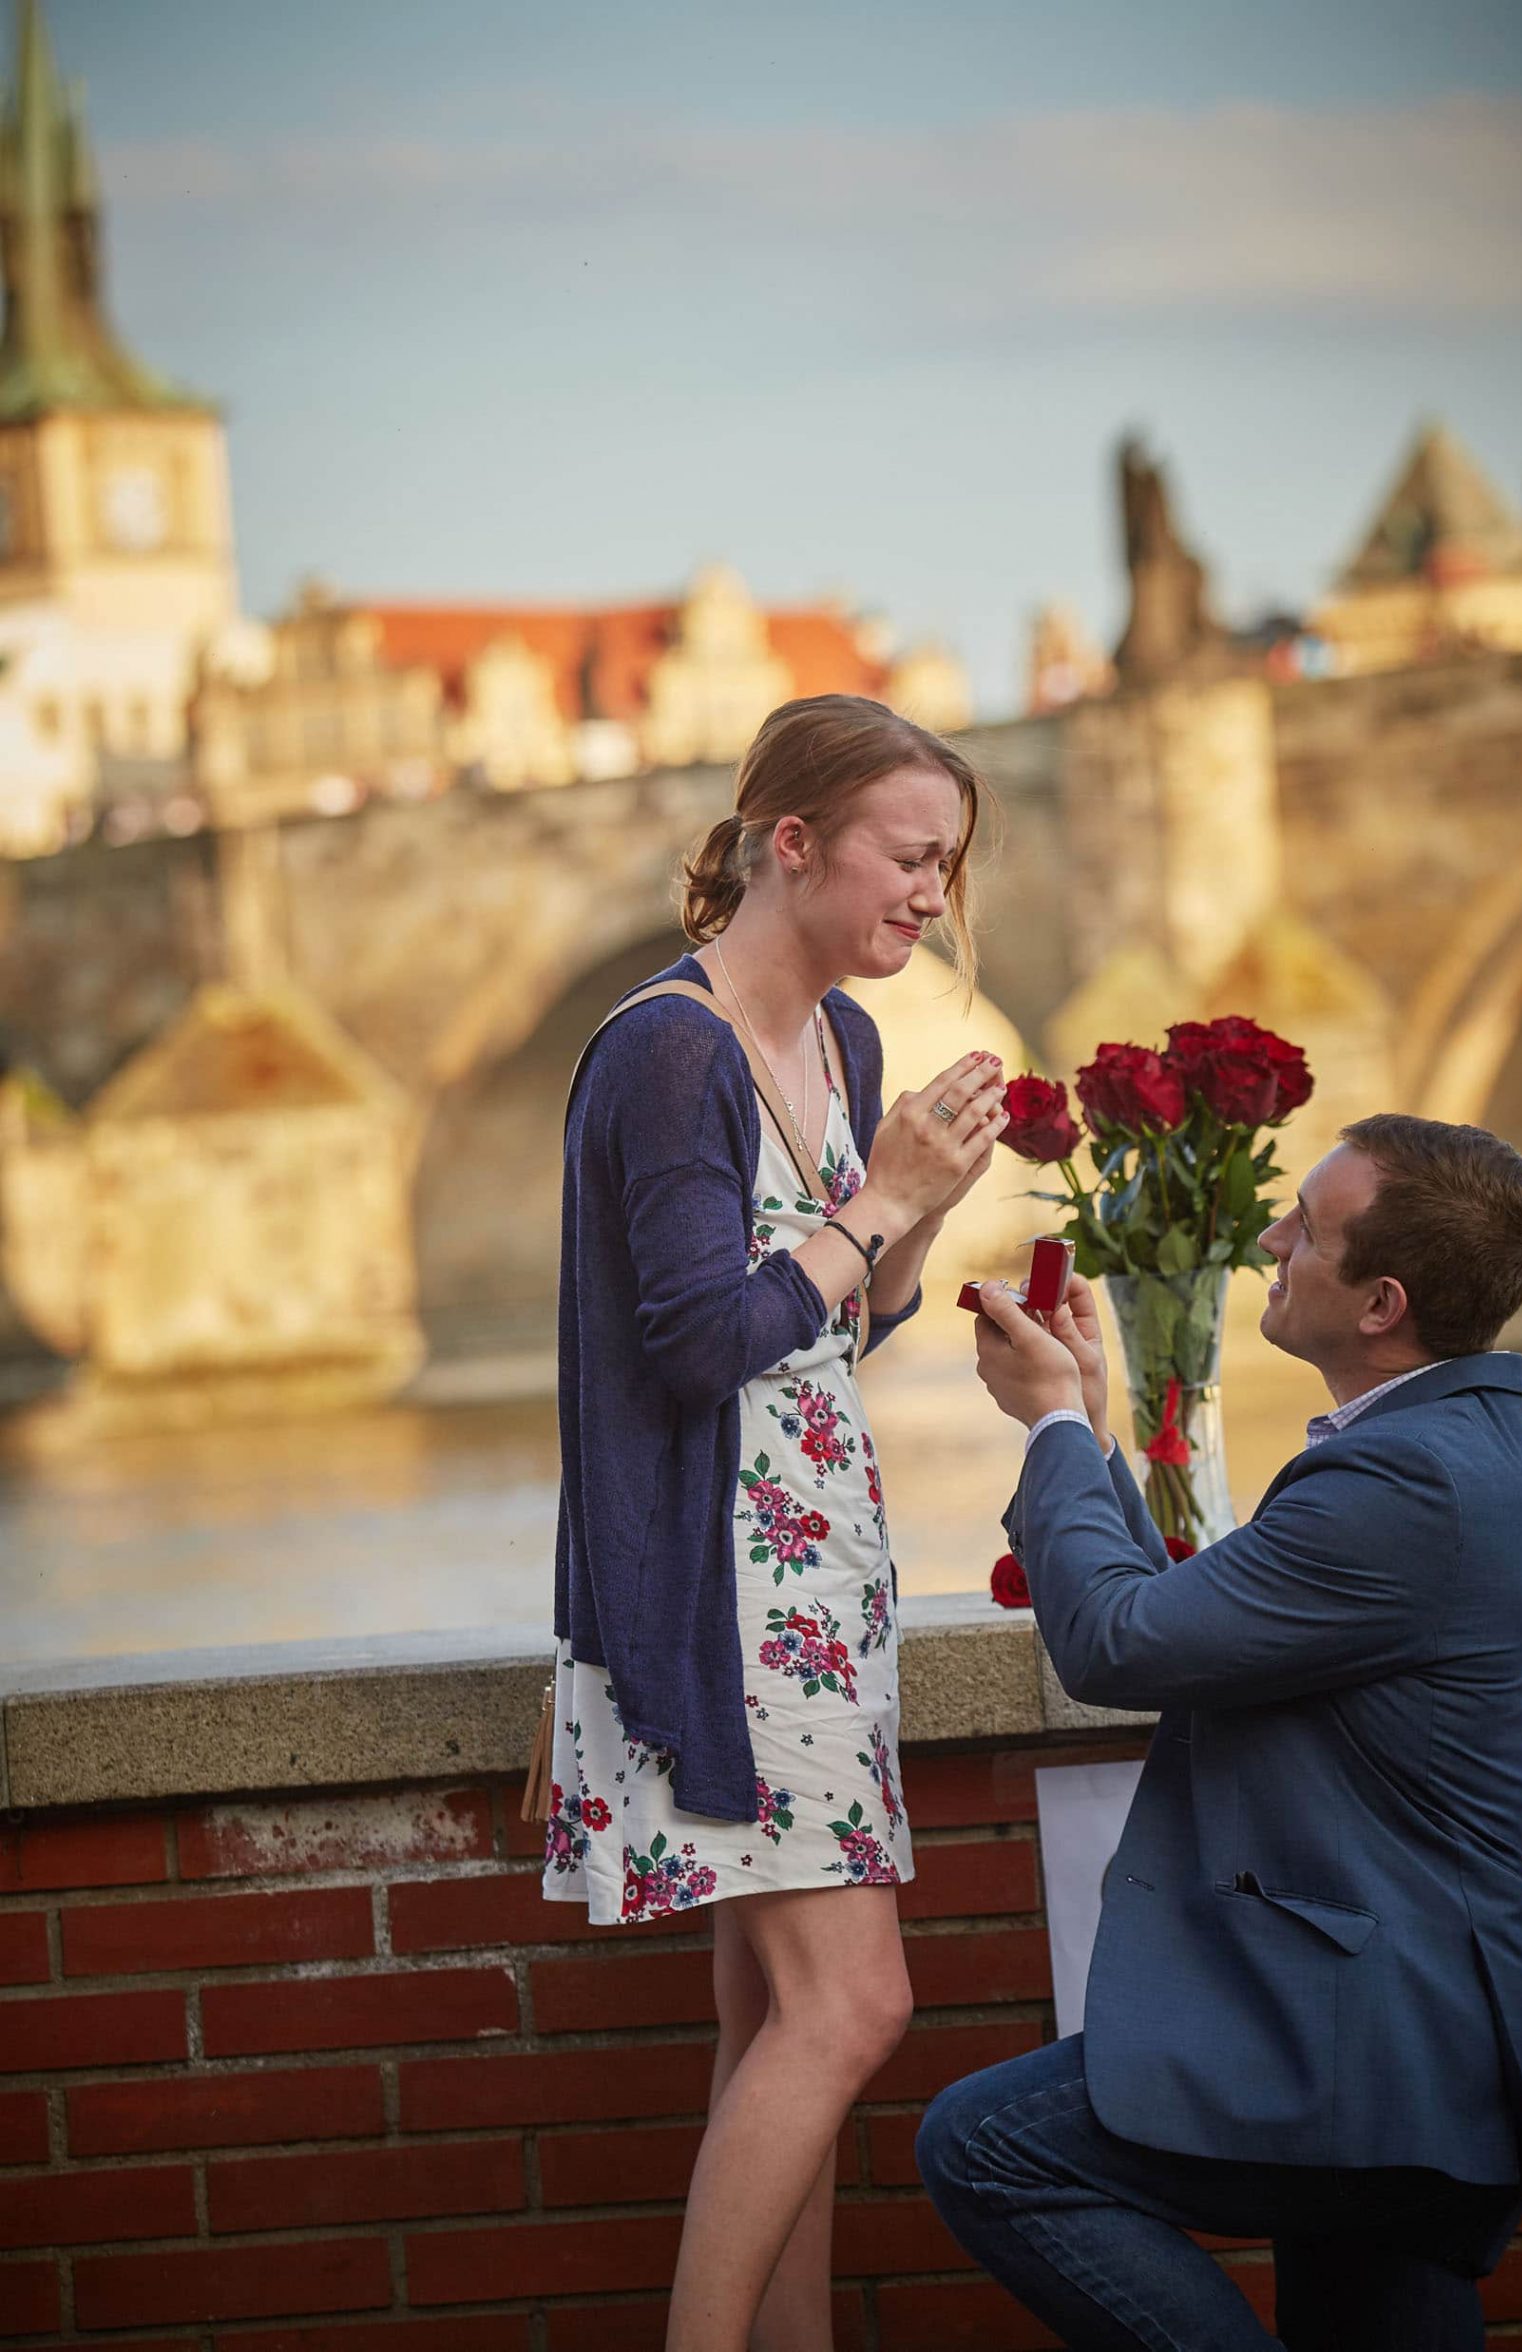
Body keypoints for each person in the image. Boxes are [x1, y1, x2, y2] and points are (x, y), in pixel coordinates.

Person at [918, 1114, 1522, 2352]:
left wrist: (1051, 1430)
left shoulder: (1404, 1481)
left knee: (988, 2146)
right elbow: (1189, 1622)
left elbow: (1116, 1646)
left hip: (1378, 2044)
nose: (1269, 1234)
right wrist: (1096, 1431)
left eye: (1305, 1229)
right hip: (1406, 2041)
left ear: (1380, 1303)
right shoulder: (1435, 1448)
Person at [547, 694, 1009, 2352]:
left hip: (824, 1574)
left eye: (945, 865)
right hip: (725, 1598)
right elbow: (690, 1343)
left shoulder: (848, 1044)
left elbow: (820, 1328)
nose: (930, 898)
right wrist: (876, 1197)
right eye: (909, 856)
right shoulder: (664, 1047)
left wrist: (911, 1223)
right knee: (853, 2003)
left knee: (779, 2026)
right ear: (789, 842)